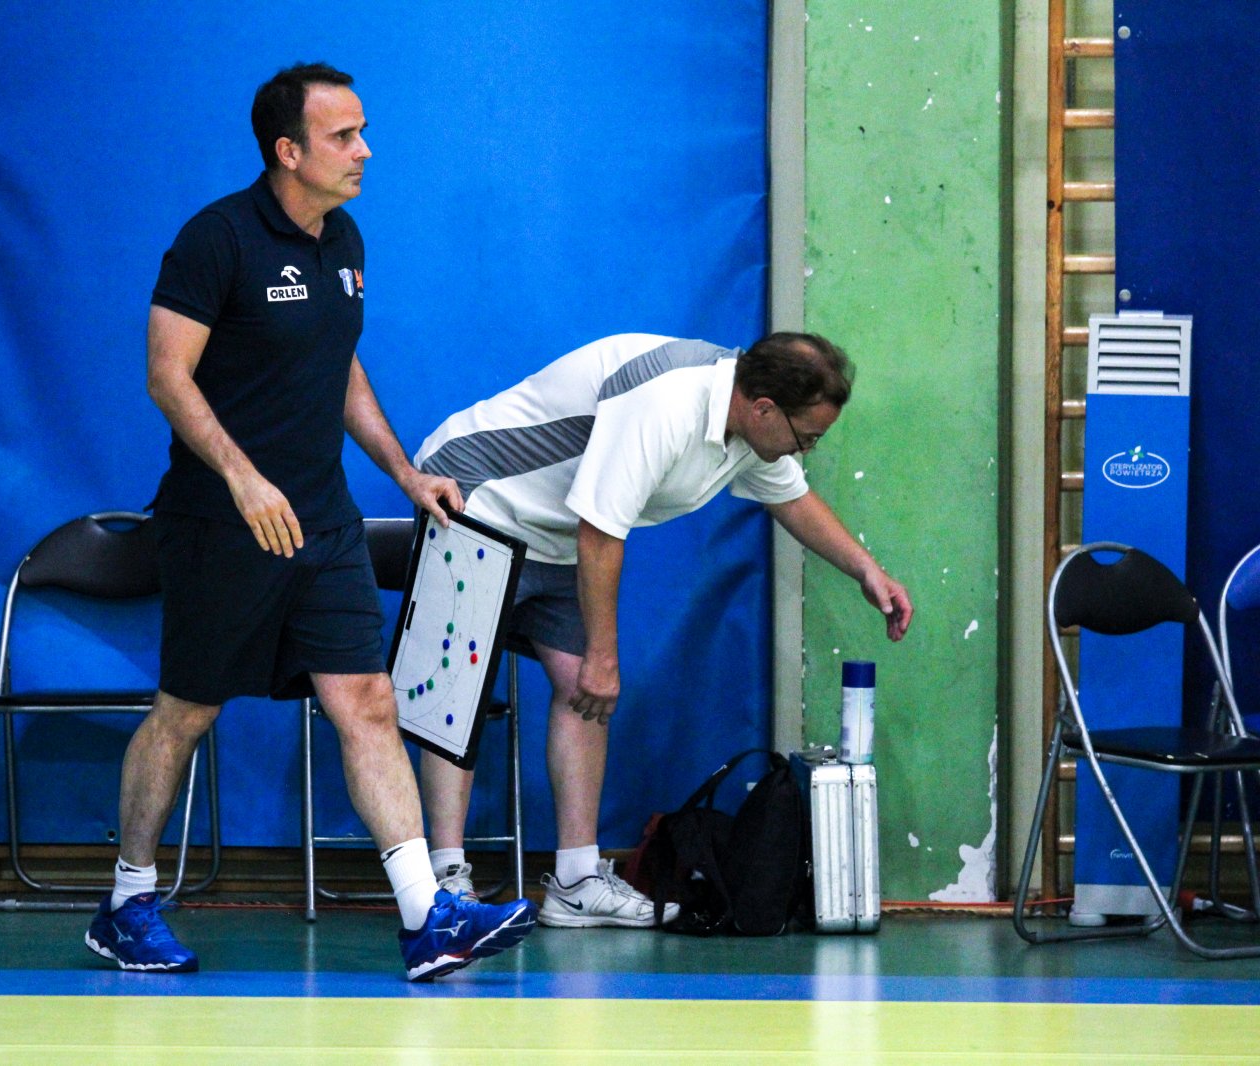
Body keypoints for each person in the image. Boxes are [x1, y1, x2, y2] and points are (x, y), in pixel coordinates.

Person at [85, 62, 535, 980]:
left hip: (324, 522)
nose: (364, 150)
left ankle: (426, 917)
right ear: (288, 151)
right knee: (185, 713)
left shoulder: (345, 238)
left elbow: (341, 365)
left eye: (362, 131)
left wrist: (405, 473)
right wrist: (244, 479)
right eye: (343, 136)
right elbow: (166, 374)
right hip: (224, 524)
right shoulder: (216, 239)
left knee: (367, 701)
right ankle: (127, 903)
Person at [412, 331, 913, 927]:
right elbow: (601, 531)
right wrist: (604, 656)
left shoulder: (749, 429)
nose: (805, 449)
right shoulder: (668, 403)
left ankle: (575, 881)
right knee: (459, 692)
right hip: (474, 497)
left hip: (558, 533)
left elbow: (794, 501)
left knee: (584, 694)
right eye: (807, 437)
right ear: (764, 408)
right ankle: (446, 883)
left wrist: (867, 571)